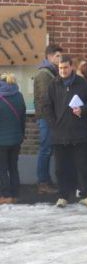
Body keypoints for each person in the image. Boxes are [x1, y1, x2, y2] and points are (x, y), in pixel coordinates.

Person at [44, 55, 87, 209]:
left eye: (65, 67)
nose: (62, 70)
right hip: (59, 134)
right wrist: (53, 123)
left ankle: (85, 195)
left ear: (71, 67)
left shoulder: (81, 83)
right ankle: (63, 196)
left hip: (79, 132)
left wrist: (82, 110)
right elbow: (46, 106)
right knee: (61, 168)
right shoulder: (53, 84)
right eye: (60, 68)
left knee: (83, 166)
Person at [33, 44, 62, 194]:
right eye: (57, 56)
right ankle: (42, 183)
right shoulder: (45, 74)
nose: (59, 59)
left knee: (48, 149)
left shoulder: (51, 72)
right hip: (46, 118)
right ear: (49, 56)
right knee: (45, 150)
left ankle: (46, 180)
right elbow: (46, 98)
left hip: (49, 117)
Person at [0, 73, 26, 205]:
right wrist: (21, 134)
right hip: (16, 139)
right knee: (13, 167)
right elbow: (23, 117)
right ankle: (16, 195)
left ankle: (5, 195)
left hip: (1, 141)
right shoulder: (19, 95)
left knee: (2, 169)